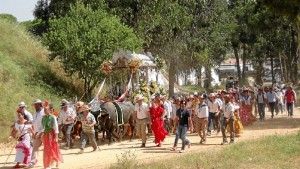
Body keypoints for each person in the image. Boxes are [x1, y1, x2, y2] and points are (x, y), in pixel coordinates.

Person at [42, 101, 63, 169]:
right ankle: (49, 164)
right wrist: (42, 135)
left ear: (49, 110)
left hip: (52, 134)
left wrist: (56, 137)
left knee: (53, 148)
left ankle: (56, 161)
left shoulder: (53, 117)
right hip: (46, 135)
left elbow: (56, 127)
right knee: (47, 149)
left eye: (46, 109)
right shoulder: (43, 118)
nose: (45, 111)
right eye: (44, 110)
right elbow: (43, 127)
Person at [29, 99, 44, 167]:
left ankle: (54, 160)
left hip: (44, 132)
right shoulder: (35, 112)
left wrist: (41, 132)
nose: (35, 106)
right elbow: (34, 121)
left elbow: (46, 124)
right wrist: (29, 122)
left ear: (39, 104)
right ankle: (32, 162)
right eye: (34, 105)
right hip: (36, 132)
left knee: (48, 147)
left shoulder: (44, 112)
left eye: (36, 104)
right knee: (35, 147)